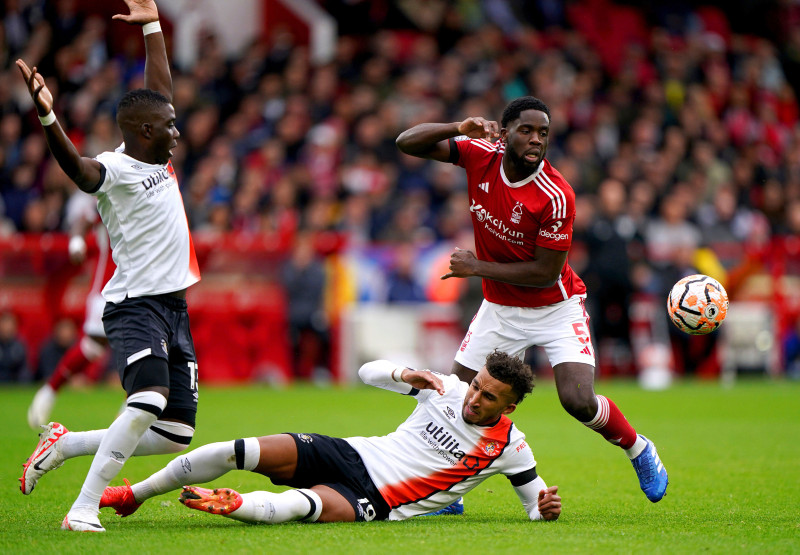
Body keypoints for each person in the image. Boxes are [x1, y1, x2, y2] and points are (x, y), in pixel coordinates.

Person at [395, 96, 668, 504]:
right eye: (526, 130)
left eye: (543, 132)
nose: (536, 139)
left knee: (577, 401)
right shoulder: (480, 154)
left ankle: (639, 449)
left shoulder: (556, 195)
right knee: (454, 398)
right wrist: (457, 128)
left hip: (555, 308)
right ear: (503, 134)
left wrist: (478, 268)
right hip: (500, 310)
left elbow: (545, 272)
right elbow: (406, 142)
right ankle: (449, 493)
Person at [17, 0, 201, 532]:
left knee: (174, 433)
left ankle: (65, 443)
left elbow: (159, 90)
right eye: (168, 126)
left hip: (174, 308)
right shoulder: (116, 169)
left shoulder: (157, 154)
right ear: (143, 130)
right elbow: (76, 170)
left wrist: (151, 26)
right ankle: (81, 510)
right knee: (146, 400)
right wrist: (48, 114)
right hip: (134, 306)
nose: (177, 131)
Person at [99, 351, 561, 524]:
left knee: (304, 505)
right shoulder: (446, 388)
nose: (475, 398)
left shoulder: (510, 448)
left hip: (379, 500)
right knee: (237, 449)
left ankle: (235, 504)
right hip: (352, 451)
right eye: (477, 386)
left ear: (510, 407)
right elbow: (366, 372)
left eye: (489, 397)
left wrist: (544, 509)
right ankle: (132, 495)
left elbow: (534, 506)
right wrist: (406, 373)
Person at [28, 192, 115, 428]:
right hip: (108, 287)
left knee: (143, 342)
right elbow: (84, 220)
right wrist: (77, 241)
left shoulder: (149, 190)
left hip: (143, 284)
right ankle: (50, 390)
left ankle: (135, 409)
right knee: (94, 346)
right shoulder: (113, 191)